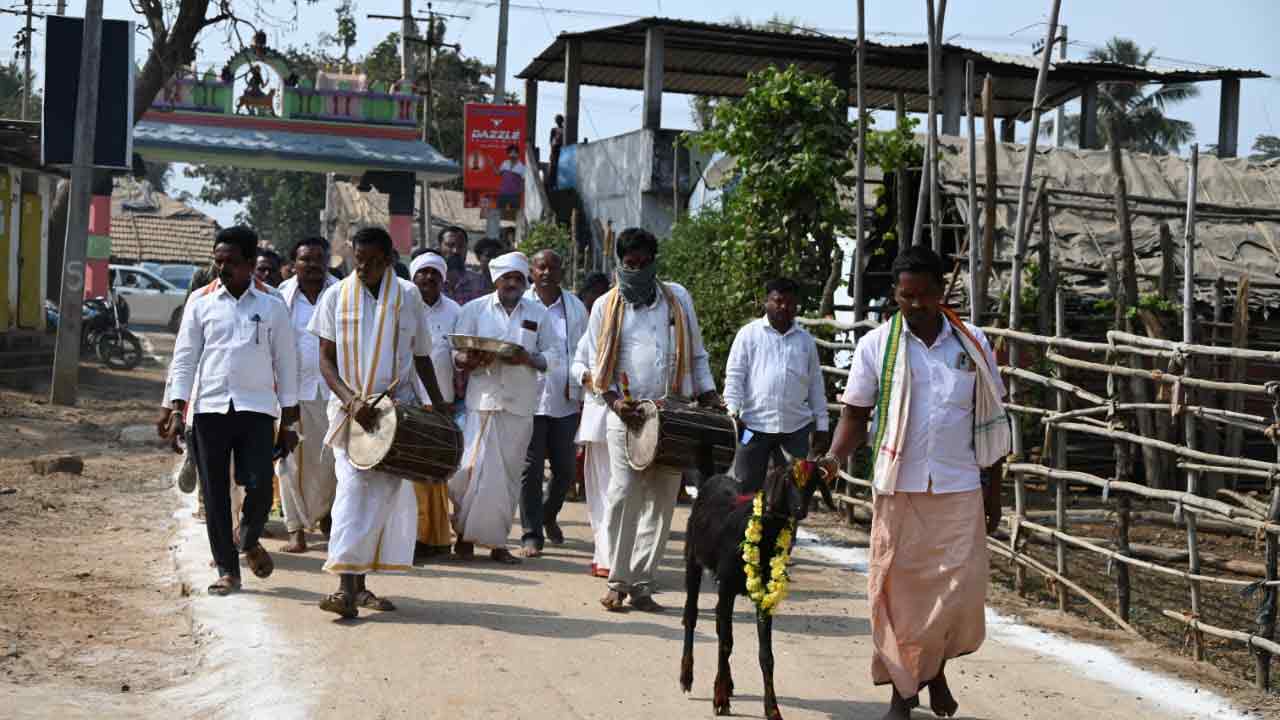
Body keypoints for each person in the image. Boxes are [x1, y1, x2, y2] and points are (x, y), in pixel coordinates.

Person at [819, 246, 1009, 720]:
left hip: (960, 485)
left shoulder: (974, 345)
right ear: (896, 296)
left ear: (941, 293)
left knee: (958, 597)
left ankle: (935, 670)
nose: (917, 304)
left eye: (925, 295)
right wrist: (832, 458)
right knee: (898, 597)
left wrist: (995, 496)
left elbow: (993, 422)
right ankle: (902, 696)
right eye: (907, 296)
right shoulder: (877, 346)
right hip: (899, 485)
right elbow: (856, 415)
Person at [579, 227, 721, 612]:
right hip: (625, 414)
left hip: (673, 414)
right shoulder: (605, 306)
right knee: (623, 495)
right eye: (630, 263)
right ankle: (617, 580)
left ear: (654, 263)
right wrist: (612, 402)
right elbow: (594, 366)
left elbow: (698, 354)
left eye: (644, 263)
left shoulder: (678, 300)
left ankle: (642, 584)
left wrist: (709, 395)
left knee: (661, 501)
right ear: (620, 264)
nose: (638, 269)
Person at [309, 226, 448, 619]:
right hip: (350, 414)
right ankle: (342, 586)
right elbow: (325, 359)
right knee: (352, 493)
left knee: (380, 501)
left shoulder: (408, 296)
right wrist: (352, 401)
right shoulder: (336, 294)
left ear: (389, 258)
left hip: (395, 417)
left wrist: (438, 406)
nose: (364, 268)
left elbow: (421, 356)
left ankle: (359, 585)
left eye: (372, 261)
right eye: (358, 260)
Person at [158, 226, 300, 596]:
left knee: (258, 489)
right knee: (215, 493)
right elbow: (185, 358)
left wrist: (290, 421)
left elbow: (286, 363)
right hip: (209, 409)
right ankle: (227, 570)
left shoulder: (272, 304)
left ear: (251, 264)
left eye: (231, 262)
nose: (222, 269)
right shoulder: (200, 301)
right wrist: (176, 408)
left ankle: (248, 538)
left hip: (256, 410)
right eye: (218, 261)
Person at [448, 251, 557, 565]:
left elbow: (553, 354)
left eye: (518, 279)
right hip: (483, 400)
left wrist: (529, 359)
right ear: (496, 280)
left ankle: (497, 545)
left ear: (525, 282)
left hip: (520, 405)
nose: (512, 283)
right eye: (506, 278)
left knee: (508, 477)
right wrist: (467, 360)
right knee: (471, 472)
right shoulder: (474, 309)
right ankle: (464, 537)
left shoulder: (538, 313)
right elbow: (454, 352)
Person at [723, 277, 830, 493]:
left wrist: (822, 425)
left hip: (796, 431)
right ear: (766, 302)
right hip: (751, 426)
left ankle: (785, 528)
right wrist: (732, 413)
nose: (784, 307)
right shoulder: (748, 335)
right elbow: (735, 376)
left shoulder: (805, 341)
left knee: (792, 492)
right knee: (744, 487)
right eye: (778, 301)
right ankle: (745, 527)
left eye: (790, 303)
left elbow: (816, 386)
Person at [518, 249, 588, 558]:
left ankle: (549, 513)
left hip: (565, 399)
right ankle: (531, 533)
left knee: (566, 471)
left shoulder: (575, 308)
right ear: (531, 271)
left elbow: (586, 351)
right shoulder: (522, 304)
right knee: (531, 468)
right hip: (530, 399)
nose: (546, 272)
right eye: (540, 267)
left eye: (553, 267)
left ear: (562, 271)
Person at [274, 236, 340, 553]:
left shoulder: (343, 294)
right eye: (305, 259)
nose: (312, 265)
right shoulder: (279, 298)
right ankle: (295, 529)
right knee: (288, 462)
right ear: (293, 264)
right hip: (292, 393)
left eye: (318, 259)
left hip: (334, 392)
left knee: (330, 462)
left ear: (328, 262)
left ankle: (326, 517)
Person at [408, 250, 462, 558]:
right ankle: (409, 539)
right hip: (407, 406)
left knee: (435, 475)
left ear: (443, 279)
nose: (428, 278)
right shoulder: (401, 307)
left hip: (442, 406)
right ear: (413, 278)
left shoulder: (455, 311)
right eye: (422, 273)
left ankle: (435, 539)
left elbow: (457, 354)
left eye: (434, 274)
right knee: (408, 477)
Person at [439, 226, 488, 306]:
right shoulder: (432, 282)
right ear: (439, 247)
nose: (456, 251)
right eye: (450, 245)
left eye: (460, 246)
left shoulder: (479, 282)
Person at [495, 144, 526, 211]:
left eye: (514, 153)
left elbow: (523, 182)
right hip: (503, 194)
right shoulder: (504, 163)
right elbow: (498, 173)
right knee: (499, 213)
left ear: (517, 154)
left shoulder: (522, 167)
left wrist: (520, 194)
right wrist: (492, 165)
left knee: (514, 216)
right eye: (510, 153)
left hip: (514, 195)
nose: (512, 154)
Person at [547, 114, 565, 191]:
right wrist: (551, 151)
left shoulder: (565, 129)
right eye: (557, 120)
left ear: (562, 121)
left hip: (562, 150)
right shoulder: (553, 129)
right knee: (552, 167)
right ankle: (551, 185)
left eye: (559, 119)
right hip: (554, 149)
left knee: (559, 167)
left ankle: (557, 185)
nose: (558, 121)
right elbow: (551, 141)